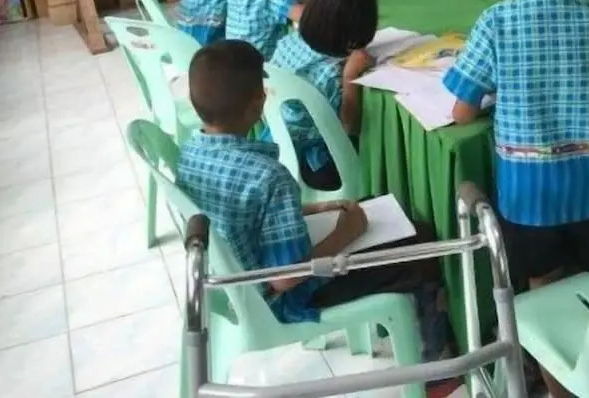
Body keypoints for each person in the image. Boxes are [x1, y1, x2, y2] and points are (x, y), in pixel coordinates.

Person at [443, 0, 589, 398]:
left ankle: (558, 385)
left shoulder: (498, 19)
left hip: (531, 198)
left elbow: (461, 111)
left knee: (543, 293)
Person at [175, 40, 448, 358]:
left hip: (232, 286)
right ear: (259, 101)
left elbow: (240, 215)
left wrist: (315, 208)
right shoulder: (269, 175)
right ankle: (439, 358)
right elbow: (285, 278)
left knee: (374, 208)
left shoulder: (190, 153)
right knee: (422, 241)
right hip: (283, 299)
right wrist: (346, 234)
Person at [267, 0, 377, 191]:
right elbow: (349, 129)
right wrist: (350, 77)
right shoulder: (332, 73)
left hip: (276, 143)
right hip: (315, 165)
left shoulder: (288, 42)